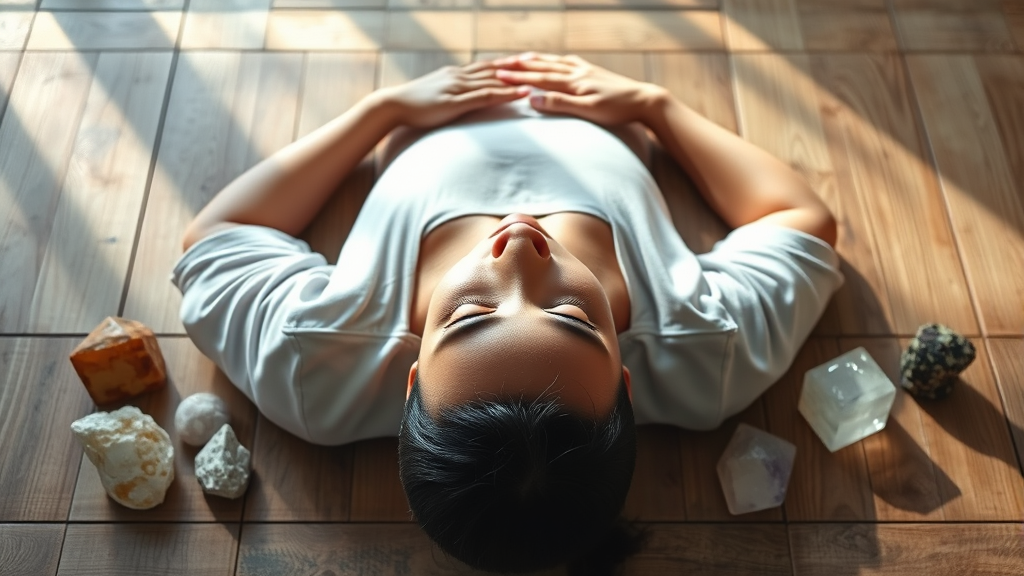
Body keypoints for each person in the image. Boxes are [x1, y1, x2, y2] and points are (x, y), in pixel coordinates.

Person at [172, 53, 842, 574]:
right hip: (597, 113)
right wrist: (653, 106)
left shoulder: (313, 365)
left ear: (411, 376)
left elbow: (217, 237)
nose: (519, 242)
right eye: (575, 315)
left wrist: (378, 112)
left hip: (425, 111)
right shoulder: (706, 351)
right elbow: (801, 220)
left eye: (467, 316)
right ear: (625, 385)